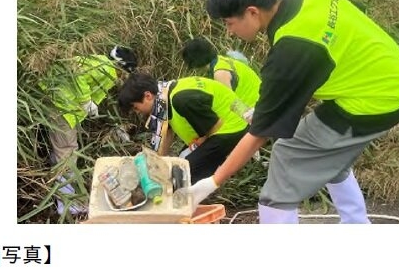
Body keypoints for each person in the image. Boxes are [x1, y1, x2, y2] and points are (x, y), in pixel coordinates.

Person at [186, 0, 399, 224]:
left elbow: (259, 134)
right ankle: (356, 224)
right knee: (323, 153)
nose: (229, 32)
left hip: (378, 99)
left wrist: (212, 182)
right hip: (396, 74)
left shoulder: (290, 50)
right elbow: (350, 22)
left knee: (287, 157)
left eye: (229, 23)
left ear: (252, 12)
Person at [41, 46, 139, 215]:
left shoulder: (99, 61)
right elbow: (75, 71)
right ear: (122, 67)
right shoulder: (106, 68)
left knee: (62, 149)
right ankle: (67, 203)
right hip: (63, 107)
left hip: (64, 105)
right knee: (67, 152)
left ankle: (60, 184)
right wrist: (86, 100)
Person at [118, 72, 249, 182]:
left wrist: (200, 143)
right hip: (218, 127)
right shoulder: (164, 95)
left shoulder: (180, 100)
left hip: (231, 127)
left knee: (186, 171)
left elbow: (216, 124)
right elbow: (166, 133)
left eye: (136, 107)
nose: (137, 112)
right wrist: (155, 163)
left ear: (148, 96)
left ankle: (203, 190)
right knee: (181, 159)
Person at [181, 37, 260, 118]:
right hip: (258, 104)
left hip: (254, 110)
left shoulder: (220, 73)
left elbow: (230, 102)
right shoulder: (222, 60)